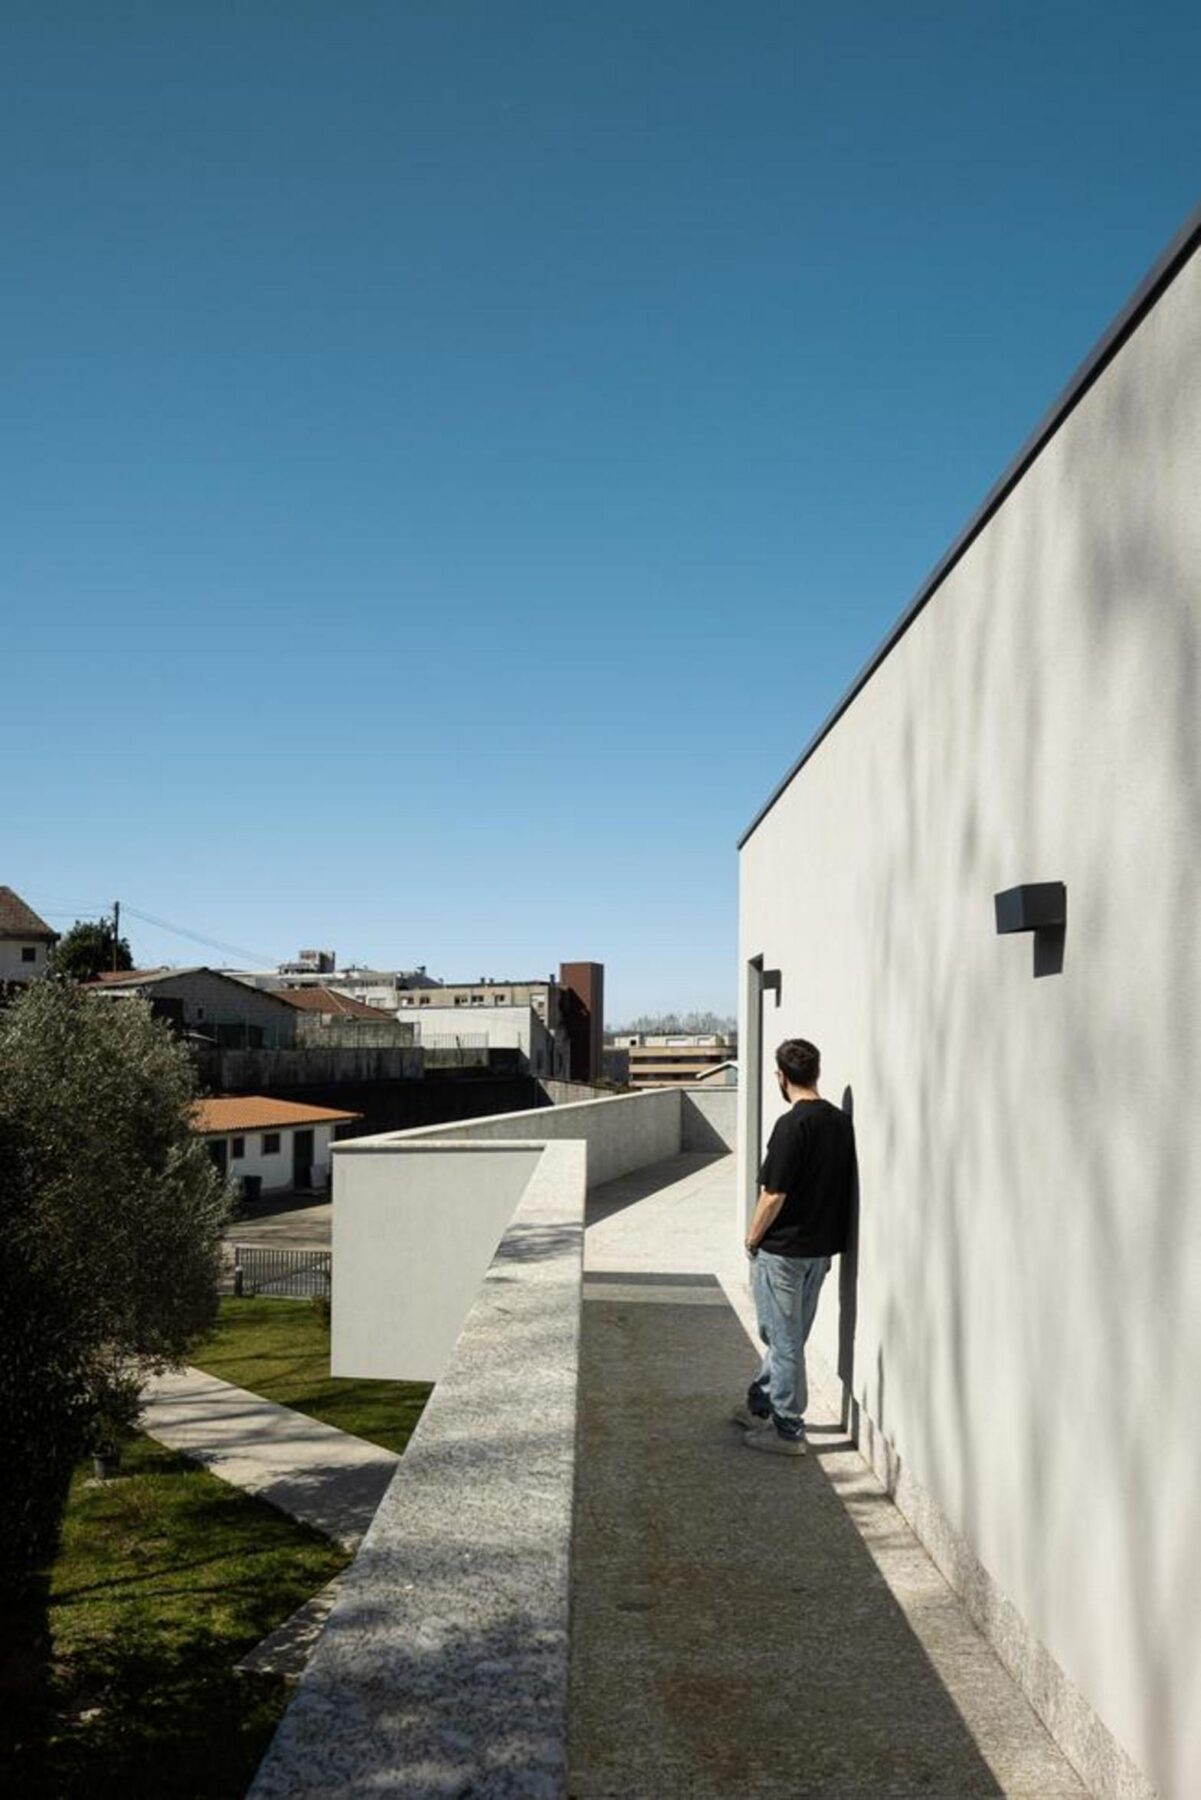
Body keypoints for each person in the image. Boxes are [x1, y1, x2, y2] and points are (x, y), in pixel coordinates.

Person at [737, 1037, 856, 1457]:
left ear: (781, 1077)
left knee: (781, 1338)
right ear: (816, 1073)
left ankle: (787, 1430)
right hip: (820, 1253)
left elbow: (773, 1195)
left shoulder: (792, 1126)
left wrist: (752, 1239)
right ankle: (761, 1400)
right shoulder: (841, 1124)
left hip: (785, 1254)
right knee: (790, 1337)